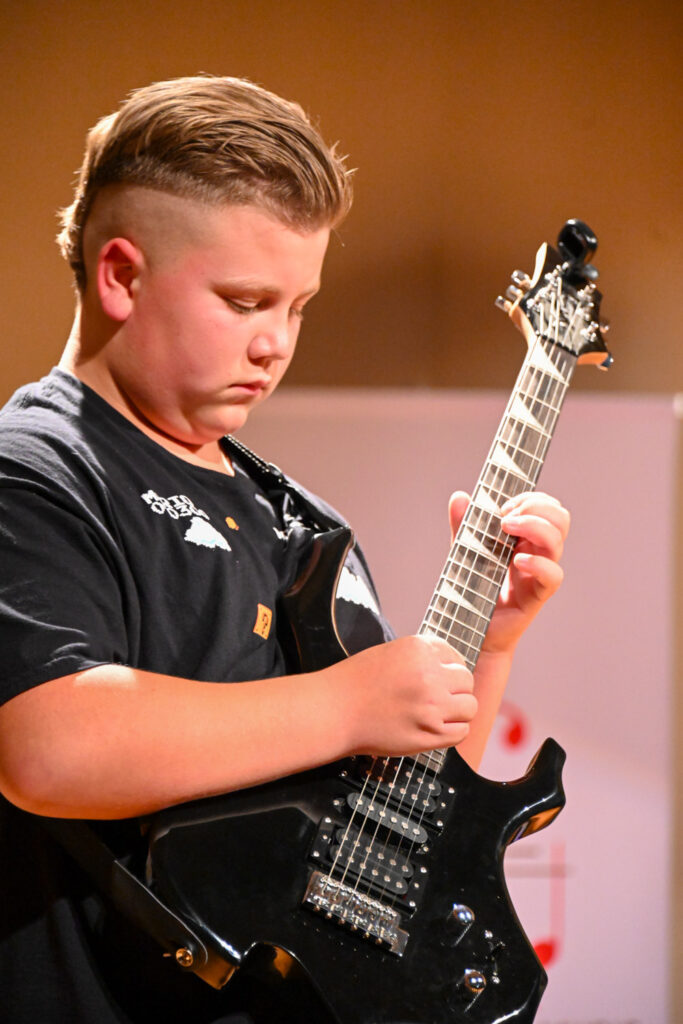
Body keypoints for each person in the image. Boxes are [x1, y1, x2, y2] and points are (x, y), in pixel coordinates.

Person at [0, 76, 569, 1023]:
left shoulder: (300, 520)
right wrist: (349, 703)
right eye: (245, 301)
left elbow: (396, 826)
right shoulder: (35, 468)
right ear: (121, 277)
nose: (275, 344)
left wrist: (490, 643)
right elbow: (47, 747)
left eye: (297, 306)